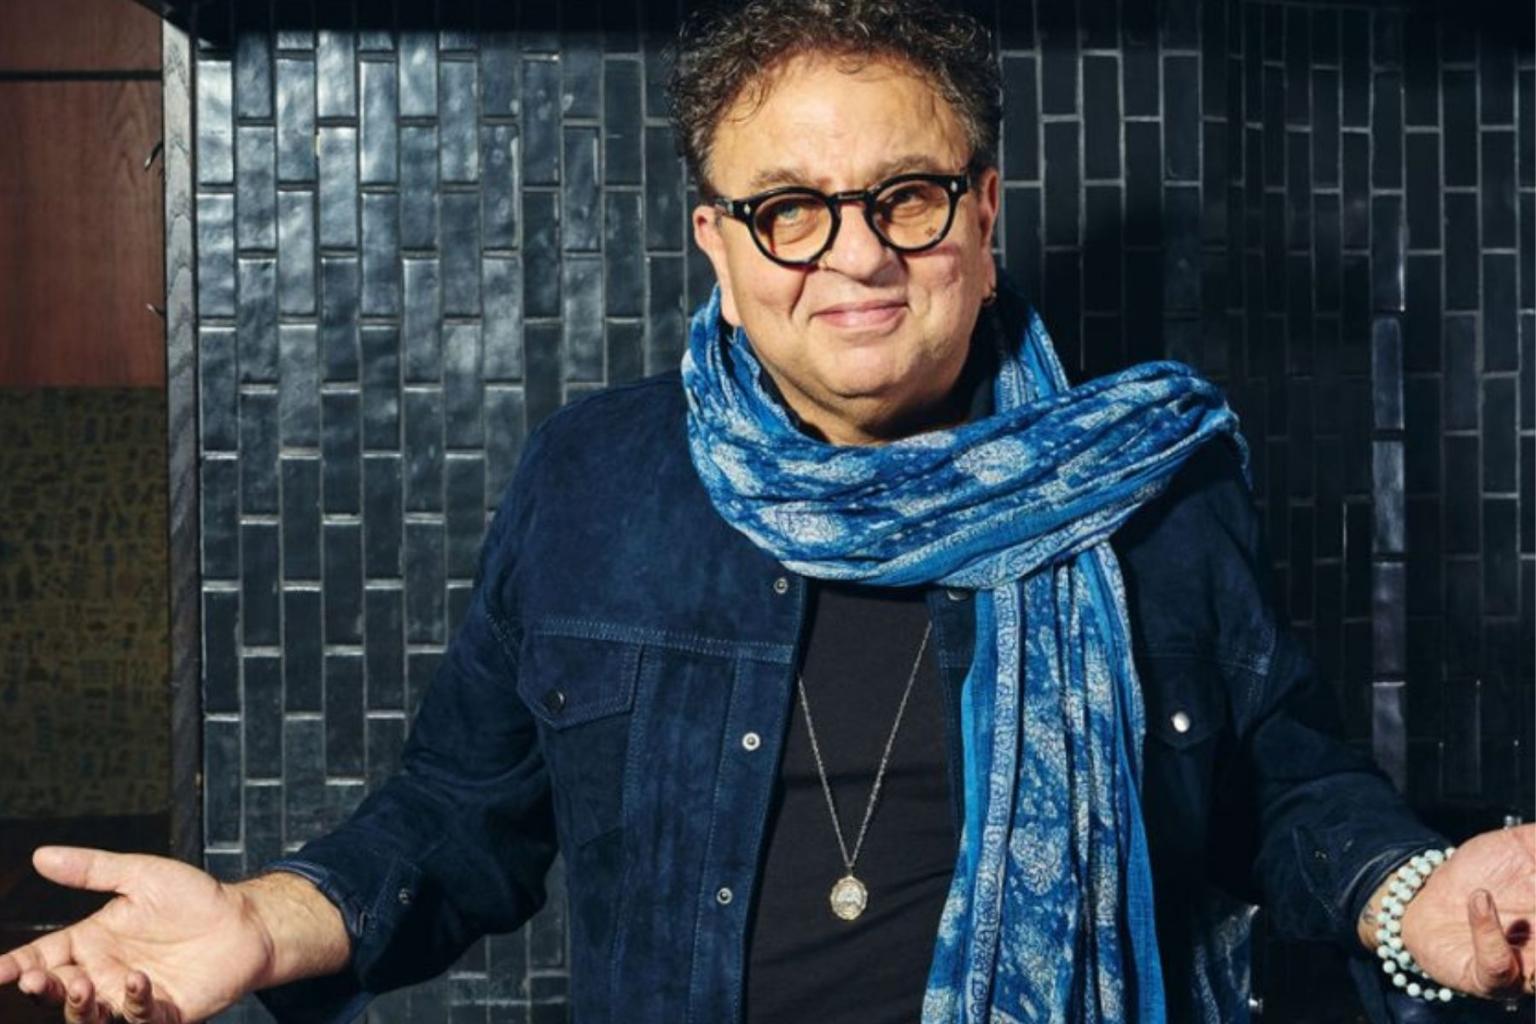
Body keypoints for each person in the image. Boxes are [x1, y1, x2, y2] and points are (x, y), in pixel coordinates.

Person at [3, 1, 1532, 1021]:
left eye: (909, 197)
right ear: (718, 249)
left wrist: (1420, 900)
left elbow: (1291, 796)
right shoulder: (592, 482)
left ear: (982, 219)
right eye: (788, 210)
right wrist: (266, 924)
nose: (856, 257)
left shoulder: (1153, 487)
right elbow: (458, 823)